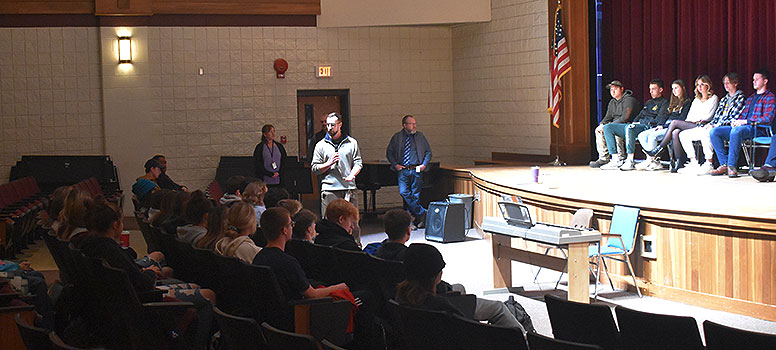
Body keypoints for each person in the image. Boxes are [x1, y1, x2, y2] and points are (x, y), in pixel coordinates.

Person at [395, 243, 526, 332]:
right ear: (438, 277)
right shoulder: (444, 308)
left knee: (459, 289)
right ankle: (524, 342)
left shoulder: (397, 298)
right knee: (499, 308)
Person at [253, 207, 349, 301]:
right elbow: (312, 295)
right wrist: (337, 287)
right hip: (298, 312)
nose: (292, 227)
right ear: (284, 230)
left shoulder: (258, 257)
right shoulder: (288, 263)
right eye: (291, 224)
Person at [645, 75, 719, 172]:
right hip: (692, 123)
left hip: (702, 124)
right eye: (698, 85)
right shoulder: (696, 100)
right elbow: (690, 116)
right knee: (675, 132)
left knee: (675, 122)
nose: (700, 87)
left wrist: (696, 119)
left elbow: (708, 116)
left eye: (702, 84)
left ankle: (658, 149)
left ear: (707, 85)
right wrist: (693, 120)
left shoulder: (713, 98)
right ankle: (681, 162)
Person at [710, 69, 776, 177]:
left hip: (759, 129)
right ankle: (724, 164)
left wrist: (746, 121)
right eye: (753, 79)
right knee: (715, 132)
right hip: (745, 128)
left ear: (765, 81)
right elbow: (743, 115)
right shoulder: (751, 98)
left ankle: (732, 166)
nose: (753, 81)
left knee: (736, 131)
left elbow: (768, 118)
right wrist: (737, 121)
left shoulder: (770, 97)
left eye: (757, 79)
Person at [311, 112, 363, 246]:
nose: (329, 127)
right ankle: (328, 247)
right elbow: (315, 168)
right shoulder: (320, 145)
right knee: (329, 222)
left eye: (332, 125)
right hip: (329, 188)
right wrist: (328, 163)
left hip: (348, 188)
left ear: (340, 125)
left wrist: (352, 175)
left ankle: (355, 247)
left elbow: (358, 162)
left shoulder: (352, 142)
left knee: (353, 223)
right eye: (327, 125)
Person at [679, 73, 745, 175]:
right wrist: (712, 123)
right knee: (683, 134)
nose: (726, 85)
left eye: (728, 83)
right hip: (715, 125)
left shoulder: (740, 97)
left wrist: (715, 125)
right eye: (724, 83)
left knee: (710, 132)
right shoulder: (724, 99)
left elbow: (734, 117)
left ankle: (709, 163)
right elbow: (717, 115)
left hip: (728, 127)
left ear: (735, 83)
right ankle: (693, 162)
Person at [601, 79, 668, 170]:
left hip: (648, 127)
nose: (650, 91)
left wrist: (640, 123)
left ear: (660, 90)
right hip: (637, 125)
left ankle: (630, 160)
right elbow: (639, 115)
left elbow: (659, 119)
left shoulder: (664, 103)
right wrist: (635, 122)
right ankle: (615, 159)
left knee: (630, 128)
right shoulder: (648, 102)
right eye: (650, 89)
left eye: (654, 89)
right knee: (608, 127)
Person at [386, 115, 433, 227]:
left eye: (415, 123)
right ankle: (422, 213)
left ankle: (411, 221)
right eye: (411, 124)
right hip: (403, 170)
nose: (414, 126)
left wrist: (424, 165)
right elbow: (389, 152)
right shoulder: (397, 137)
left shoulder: (420, 136)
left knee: (415, 195)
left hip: (416, 169)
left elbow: (428, 152)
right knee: (404, 192)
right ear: (404, 125)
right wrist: (395, 164)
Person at [636, 80, 693, 170]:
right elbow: (664, 116)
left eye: (676, 88)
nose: (674, 91)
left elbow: (682, 119)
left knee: (653, 136)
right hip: (665, 126)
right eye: (673, 88)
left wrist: (665, 126)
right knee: (642, 135)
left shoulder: (687, 102)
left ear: (683, 88)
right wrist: (661, 125)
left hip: (674, 128)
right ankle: (651, 159)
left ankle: (654, 160)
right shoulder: (673, 102)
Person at [589, 80, 640, 168]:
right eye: (611, 89)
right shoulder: (612, 102)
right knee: (598, 130)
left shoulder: (629, 100)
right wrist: (602, 124)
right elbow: (607, 117)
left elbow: (625, 118)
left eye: (615, 89)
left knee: (613, 130)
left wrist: (610, 126)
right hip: (614, 124)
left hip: (628, 125)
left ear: (622, 89)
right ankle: (604, 158)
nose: (613, 91)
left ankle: (620, 158)